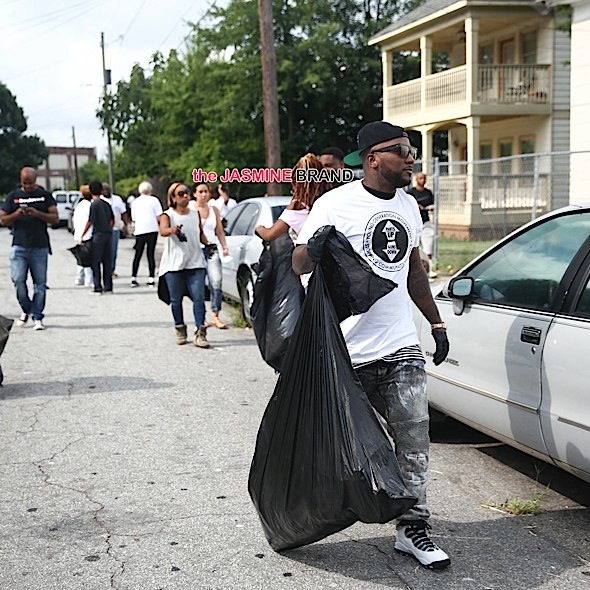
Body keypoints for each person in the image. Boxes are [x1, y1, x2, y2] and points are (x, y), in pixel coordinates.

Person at [293, 121, 451, 570]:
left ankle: (413, 528)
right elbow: (297, 262)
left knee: (414, 435)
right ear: (372, 158)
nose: (411, 158)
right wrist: (316, 247)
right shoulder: (334, 203)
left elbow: (415, 270)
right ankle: (317, 515)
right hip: (345, 352)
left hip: (399, 345)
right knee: (347, 447)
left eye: (411, 150)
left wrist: (436, 323)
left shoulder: (408, 207)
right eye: (402, 150)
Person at [0, 167, 59, 331]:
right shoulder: (13, 196)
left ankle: (38, 317)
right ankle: (27, 309)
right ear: (21, 181)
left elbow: (55, 218)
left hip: (39, 246)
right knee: (18, 280)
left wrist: (37, 213)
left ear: (36, 180)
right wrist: (17, 214)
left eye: (30, 183)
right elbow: (3, 220)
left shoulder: (45, 195)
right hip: (19, 246)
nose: (27, 186)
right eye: (24, 183)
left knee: (40, 284)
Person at [158, 182, 211, 348]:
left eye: (187, 193)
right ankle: (180, 328)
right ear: (173, 197)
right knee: (176, 300)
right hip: (174, 264)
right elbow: (163, 231)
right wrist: (172, 230)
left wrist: (210, 244)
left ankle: (200, 333)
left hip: (196, 262)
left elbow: (200, 234)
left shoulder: (195, 214)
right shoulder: (168, 215)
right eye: (180, 194)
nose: (185, 196)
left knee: (199, 298)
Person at [255, 153, 331, 242]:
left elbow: (269, 235)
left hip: (308, 253)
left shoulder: (297, 206)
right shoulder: (330, 198)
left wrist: (258, 228)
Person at [191, 183, 230, 329]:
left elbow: (219, 230)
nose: (203, 194)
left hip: (212, 249)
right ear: (194, 194)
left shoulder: (214, 210)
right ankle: (201, 317)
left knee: (216, 281)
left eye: (206, 191)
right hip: (196, 250)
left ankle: (215, 314)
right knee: (199, 285)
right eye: (200, 191)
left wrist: (224, 246)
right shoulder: (190, 210)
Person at [80, 181, 114, 294]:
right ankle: (108, 286)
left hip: (98, 235)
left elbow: (90, 221)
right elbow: (112, 220)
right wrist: (109, 229)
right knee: (107, 261)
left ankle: (97, 287)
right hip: (108, 234)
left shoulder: (94, 204)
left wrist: (82, 234)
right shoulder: (107, 204)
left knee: (96, 261)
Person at [130, 181, 163, 287]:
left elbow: (133, 218)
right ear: (150, 190)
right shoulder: (154, 200)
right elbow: (159, 216)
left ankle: (134, 277)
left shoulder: (135, 202)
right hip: (152, 229)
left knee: (138, 254)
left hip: (140, 230)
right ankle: (151, 278)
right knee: (150, 254)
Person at [406, 171, 437, 278]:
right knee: (413, 246)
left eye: (424, 178)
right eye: (420, 178)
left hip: (425, 221)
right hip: (413, 223)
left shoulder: (428, 193)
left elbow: (432, 204)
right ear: (416, 180)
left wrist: (430, 207)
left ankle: (430, 269)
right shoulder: (411, 193)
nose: (422, 181)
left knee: (428, 246)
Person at [101, 183, 129, 277]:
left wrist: (125, 225)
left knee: (113, 251)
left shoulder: (117, 199)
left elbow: (123, 212)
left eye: (107, 189)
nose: (106, 191)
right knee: (102, 251)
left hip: (115, 229)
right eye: (104, 189)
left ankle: (111, 270)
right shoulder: (99, 200)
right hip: (102, 229)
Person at [72, 184, 94, 288]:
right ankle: (89, 280)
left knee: (81, 258)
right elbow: (90, 221)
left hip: (78, 234)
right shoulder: (89, 206)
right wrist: (84, 234)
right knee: (88, 259)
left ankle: (79, 278)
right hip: (86, 235)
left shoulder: (79, 206)